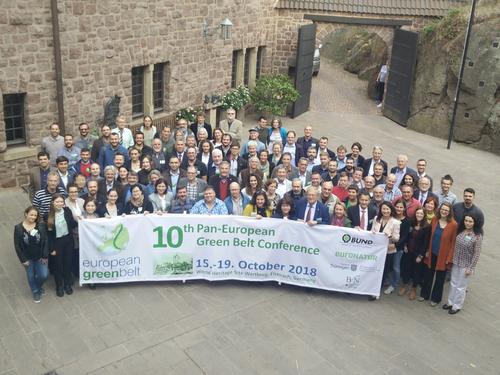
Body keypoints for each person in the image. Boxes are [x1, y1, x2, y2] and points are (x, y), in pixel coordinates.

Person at [419, 203, 458, 306]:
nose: (444, 211)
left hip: (443, 256)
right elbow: (429, 237)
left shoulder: (453, 225)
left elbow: (453, 242)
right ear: (440, 209)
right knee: (428, 274)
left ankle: (436, 299)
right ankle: (424, 294)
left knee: (440, 278)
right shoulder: (435, 220)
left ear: (450, 212)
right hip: (432, 253)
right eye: (442, 209)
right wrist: (427, 250)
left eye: (446, 210)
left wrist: (449, 258)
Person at [443, 215, 483, 315]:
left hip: (466, 265)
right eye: (466, 220)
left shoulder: (477, 236)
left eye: (470, 221)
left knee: (461, 286)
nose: (467, 223)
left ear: (475, 223)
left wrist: (471, 268)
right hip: (456, 262)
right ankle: (450, 302)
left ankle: (457, 306)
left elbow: (476, 254)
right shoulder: (461, 231)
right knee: (453, 283)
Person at [14, 206, 49, 303]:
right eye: (31, 214)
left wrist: (45, 255)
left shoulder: (41, 225)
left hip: (40, 257)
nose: (33, 217)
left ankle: (37, 287)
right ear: (26, 214)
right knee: (30, 276)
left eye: (35, 215)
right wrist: (23, 259)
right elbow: (17, 246)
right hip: (27, 258)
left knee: (44, 275)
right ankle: (35, 292)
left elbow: (45, 241)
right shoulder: (18, 228)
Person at [46, 194, 77, 297]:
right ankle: (59, 286)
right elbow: (48, 235)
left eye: (61, 202)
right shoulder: (48, 215)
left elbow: (72, 224)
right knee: (58, 266)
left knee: (67, 263)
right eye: (57, 202)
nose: (59, 204)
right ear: (52, 203)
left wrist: (80, 220)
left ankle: (67, 284)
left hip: (68, 241)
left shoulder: (67, 211)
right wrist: (51, 249)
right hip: (56, 243)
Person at [370, 201, 400, 300]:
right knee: (373, 269)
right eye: (383, 209)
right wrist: (372, 232)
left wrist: (390, 235)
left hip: (388, 251)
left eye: (387, 209)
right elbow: (371, 232)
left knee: (383, 271)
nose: (385, 211)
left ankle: (376, 291)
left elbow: (396, 238)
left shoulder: (396, 222)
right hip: (376, 250)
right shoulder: (376, 219)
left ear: (391, 210)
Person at [406, 208, 431, 300]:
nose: (419, 215)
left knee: (417, 271)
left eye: (421, 213)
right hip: (409, 250)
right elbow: (407, 236)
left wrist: (421, 255)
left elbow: (426, 243)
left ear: (424, 215)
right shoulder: (411, 223)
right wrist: (405, 245)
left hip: (418, 253)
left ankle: (414, 288)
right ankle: (405, 285)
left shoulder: (427, 226)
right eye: (417, 213)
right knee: (407, 268)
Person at [394, 200, 411, 296]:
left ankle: (395, 283)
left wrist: (395, 245)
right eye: (397, 206)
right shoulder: (391, 217)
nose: (399, 209)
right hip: (388, 246)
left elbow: (405, 236)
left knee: (396, 267)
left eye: (401, 207)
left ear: (404, 209)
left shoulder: (407, 221)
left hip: (398, 248)